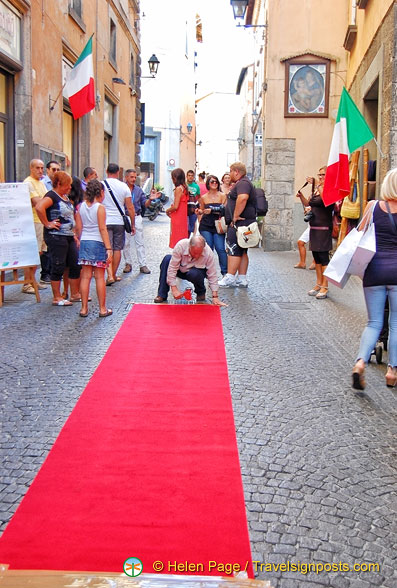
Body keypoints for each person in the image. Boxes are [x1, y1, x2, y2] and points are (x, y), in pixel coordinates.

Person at [352, 168, 397, 390]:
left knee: (374, 322)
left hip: (375, 270)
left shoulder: (372, 206)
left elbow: (360, 231)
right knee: (396, 322)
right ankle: (392, 371)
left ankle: (360, 362)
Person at [35, 171, 81, 306]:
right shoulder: (52, 196)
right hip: (56, 236)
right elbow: (39, 207)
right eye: (67, 185)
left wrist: (74, 234)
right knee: (58, 264)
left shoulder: (64, 197)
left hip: (68, 236)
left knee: (74, 263)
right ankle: (57, 297)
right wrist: (47, 223)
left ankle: (74, 294)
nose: (70, 188)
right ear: (59, 184)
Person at [75, 179, 113, 318]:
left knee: (85, 277)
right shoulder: (100, 207)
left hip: (85, 241)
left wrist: (80, 239)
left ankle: (84, 308)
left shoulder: (81, 207)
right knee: (99, 277)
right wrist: (108, 248)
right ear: (101, 192)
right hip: (97, 242)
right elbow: (102, 229)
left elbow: (79, 227)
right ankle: (102, 308)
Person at [153, 235, 227, 306]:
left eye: (199, 253)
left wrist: (215, 296)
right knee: (167, 259)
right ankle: (161, 294)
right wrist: (174, 288)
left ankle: (200, 292)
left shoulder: (208, 253)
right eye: (194, 253)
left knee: (195, 274)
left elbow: (212, 274)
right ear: (189, 246)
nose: (197, 256)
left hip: (196, 272)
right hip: (181, 268)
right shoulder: (181, 245)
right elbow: (172, 267)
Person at [218, 162, 257, 288]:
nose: (229, 174)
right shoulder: (243, 183)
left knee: (233, 248)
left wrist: (234, 216)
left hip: (239, 223)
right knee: (242, 250)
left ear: (236, 172)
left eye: (230, 171)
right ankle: (242, 278)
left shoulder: (243, 183)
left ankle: (230, 277)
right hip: (243, 223)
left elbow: (243, 198)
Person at [296, 167, 332, 299]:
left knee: (323, 259)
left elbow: (326, 201)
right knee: (316, 258)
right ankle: (318, 283)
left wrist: (319, 185)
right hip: (314, 228)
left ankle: (325, 286)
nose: (321, 177)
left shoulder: (329, 190)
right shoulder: (318, 190)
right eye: (320, 174)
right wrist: (302, 197)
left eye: (323, 175)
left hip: (323, 229)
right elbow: (309, 204)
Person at [102, 163, 136, 285]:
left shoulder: (101, 185)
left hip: (105, 221)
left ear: (106, 171)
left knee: (108, 248)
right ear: (118, 173)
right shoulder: (123, 187)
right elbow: (130, 208)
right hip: (119, 222)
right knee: (117, 249)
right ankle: (114, 274)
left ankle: (109, 274)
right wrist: (132, 224)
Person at [22, 159, 51, 292]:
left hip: (41, 220)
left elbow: (46, 199)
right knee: (32, 252)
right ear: (31, 168)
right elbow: (38, 201)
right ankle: (27, 283)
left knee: (39, 252)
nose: (40, 170)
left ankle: (32, 280)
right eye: (37, 168)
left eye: (42, 168)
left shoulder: (41, 183)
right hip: (34, 220)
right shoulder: (28, 183)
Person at [197, 174, 227, 275]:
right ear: (208, 184)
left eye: (216, 182)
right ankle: (207, 272)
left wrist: (212, 211)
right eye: (212, 182)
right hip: (206, 225)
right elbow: (201, 209)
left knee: (220, 248)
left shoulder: (223, 196)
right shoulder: (203, 197)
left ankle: (225, 272)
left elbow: (224, 210)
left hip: (218, 225)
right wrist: (200, 212)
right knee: (208, 249)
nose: (214, 183)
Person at [122, 168, 151, 275]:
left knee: (140, 242)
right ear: (126, 177)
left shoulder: (138, 190)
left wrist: (150, 199)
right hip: (126, 217)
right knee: (126, 242)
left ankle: (142, 264)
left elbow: (145, 204)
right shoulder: (122, 189)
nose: (134, 179)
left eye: (135, 177)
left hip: (137, 216)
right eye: (131, 177)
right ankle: (128, 263)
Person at [166, 168, 188, 248]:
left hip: (177, 217)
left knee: (177, 240)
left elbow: (175, 206)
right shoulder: (184, 188)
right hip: (182, 217)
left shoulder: (178, 189)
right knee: (182, 239)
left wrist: (167, 210)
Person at [186, 169, 201, 235]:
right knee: (186, 226)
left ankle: (189, 239)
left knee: (191, 226)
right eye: (189, 175)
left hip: (193, 208)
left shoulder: (196, 186)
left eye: (192, 176)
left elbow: (198, 197)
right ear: (186, 176)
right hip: (185, 208)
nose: (190, 177)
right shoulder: (184, 185)